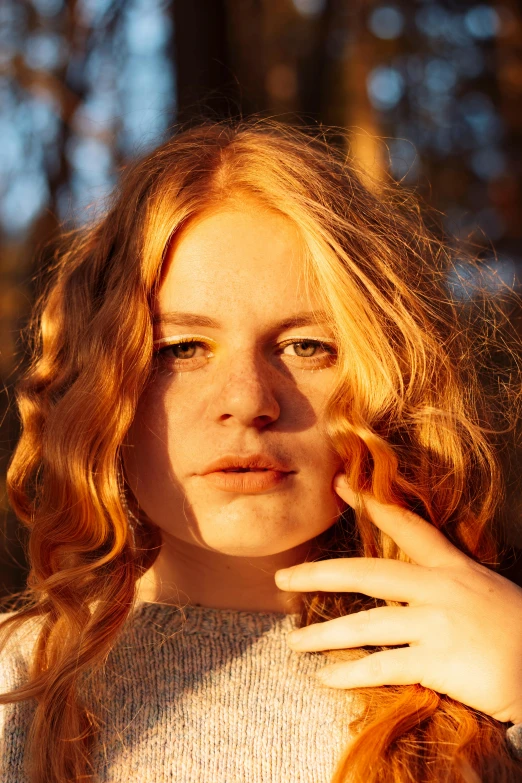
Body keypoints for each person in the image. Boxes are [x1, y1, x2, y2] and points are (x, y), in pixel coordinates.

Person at [1, 118, 522, 783]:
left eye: (307, 346)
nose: (248, 400)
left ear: (385, 378)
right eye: (180, 349)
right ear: (102, 387)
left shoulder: (481, 672)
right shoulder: (17, 685)